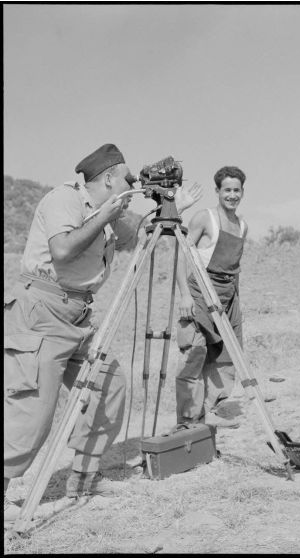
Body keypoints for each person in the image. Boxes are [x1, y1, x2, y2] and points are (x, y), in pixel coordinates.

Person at [3, 144, 201, 523]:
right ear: (108, 179)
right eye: (127, 180)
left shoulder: (115, 213)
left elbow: (144, 233)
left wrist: (174, 207)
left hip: (78, 317)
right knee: (32, 413)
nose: (132, 185)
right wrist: (104, 215)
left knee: (110, 387)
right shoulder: (63, 199)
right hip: (40, 312)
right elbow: (61, 251)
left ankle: (83, 478)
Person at [175, 166, 248, 429]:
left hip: (228, 296)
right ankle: (189, 419)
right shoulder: (205, 218)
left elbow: (235, 268)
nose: (232, 195)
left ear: (242, 192)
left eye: (236, 190)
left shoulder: (242, 226)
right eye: (227, 190)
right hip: (200, 292)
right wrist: (184, 295)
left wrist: (236, 303)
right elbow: (183, 254)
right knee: (195, 354)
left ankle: (212, 409)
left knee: (226, 356)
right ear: (217, 191)